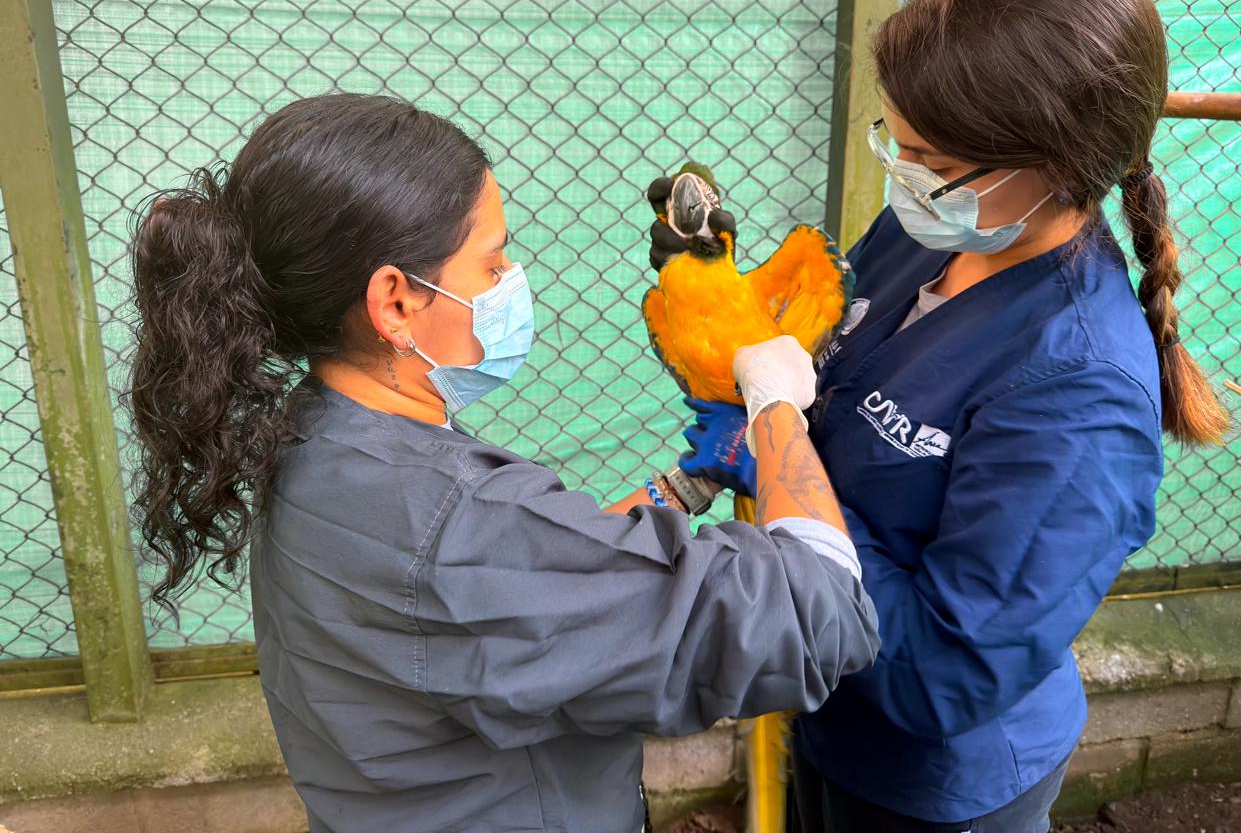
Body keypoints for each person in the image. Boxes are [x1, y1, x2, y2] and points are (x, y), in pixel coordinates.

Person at [124, 92, 879, 833]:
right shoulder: (453, 516)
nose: (512, 276)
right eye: (491, 264)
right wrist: (778, 410)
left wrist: (683, 486)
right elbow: (819, 615)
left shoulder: (311, 439)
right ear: (394, 302)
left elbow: (531, 585)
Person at [655, 0, 1229, 833]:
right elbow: (828, 374)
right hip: (826, 710)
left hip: (930, 786)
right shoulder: (936, 233)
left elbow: (943, 674)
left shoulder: (1077, 392)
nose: (904, 176)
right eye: (898, 141)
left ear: (1054, 164)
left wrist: (780, 461)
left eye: (933, 161)